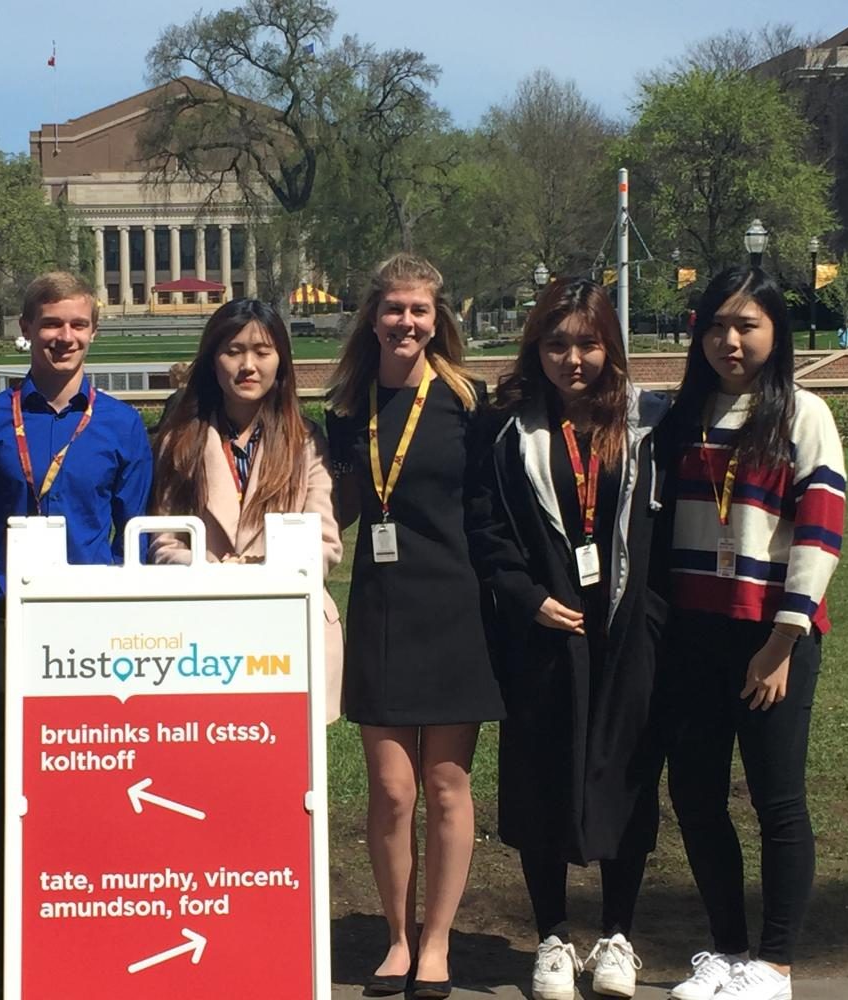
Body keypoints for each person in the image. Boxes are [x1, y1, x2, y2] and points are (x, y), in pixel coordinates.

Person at [0, 270, 152, 999]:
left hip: (94, 632)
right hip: (7, 629)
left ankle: (91, 945)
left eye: (77, 325)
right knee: (8, 803)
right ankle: (4, 958)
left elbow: (135, 538)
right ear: (26, 330)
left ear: (94, 332)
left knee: (95, 796)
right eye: (50, 324)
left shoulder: (123, 426)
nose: (63, 337)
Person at [467, 278, 670, 1000]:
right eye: (556, 344)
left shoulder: (648, 423)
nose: (571, 359)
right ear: (536, 347)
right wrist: (527, 599)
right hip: (543, 634)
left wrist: (651, 614)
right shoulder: (505, 429)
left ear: (607, 346)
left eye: (586, 343)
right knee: (541, 780)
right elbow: (485, 532)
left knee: (627, 777)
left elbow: (671, 527)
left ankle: (616, 935)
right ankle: (552, 938)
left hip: (624, 632)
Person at [660, 268, 845, 1000]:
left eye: (746, 326)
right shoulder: (680, 413)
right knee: (696, 795)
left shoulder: (801, 413)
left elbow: (820, 532)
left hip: (769, 637)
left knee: (775, 798)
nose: (728, 341)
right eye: (714, 325)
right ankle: (728, 951)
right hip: (691, 632)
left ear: (776, 333)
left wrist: (781, 644)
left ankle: (774, 965)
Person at [325, 253, 504, 1000]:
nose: (405, 322)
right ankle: (395, 938)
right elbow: (328, 512)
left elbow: (494, 516)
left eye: (419, 311)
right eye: (394, 308)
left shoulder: (468, 403)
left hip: (456, 610)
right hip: (383, 610)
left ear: (439, 320)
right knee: (393, 791)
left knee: (446, 785)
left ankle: (437, 945)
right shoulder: (345, 409)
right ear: (373, 316)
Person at [149, 297, 343, 722]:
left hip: (286, 629)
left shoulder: (307, 441)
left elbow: (325, 543)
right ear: (213, 360)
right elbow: (164, 541)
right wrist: (214, 572)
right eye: (233, 351)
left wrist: (259, 574)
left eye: (262, 351)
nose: (248, 365)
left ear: (281, 362)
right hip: (202, 633)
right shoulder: (178, 443)